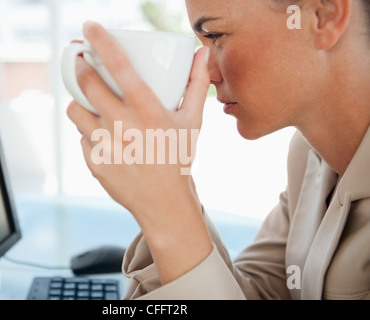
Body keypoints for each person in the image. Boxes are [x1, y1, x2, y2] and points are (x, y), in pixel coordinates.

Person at [66, 0, 370, 300]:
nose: (206, 73)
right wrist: (167, 191)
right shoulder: (309, 158)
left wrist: (169, 212)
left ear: (324, 16)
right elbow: (258, 293)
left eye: (215, 35)